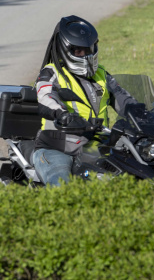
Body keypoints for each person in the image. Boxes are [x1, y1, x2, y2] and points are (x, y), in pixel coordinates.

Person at [32, 15, 137, 186]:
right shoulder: (51, 73)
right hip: (57, 146)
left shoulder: (102, 75)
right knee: (62, 184)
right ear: (65, 50)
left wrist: (142, 113)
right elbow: (45, 97)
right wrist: (63, 114)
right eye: (78, 51)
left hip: (98, 146)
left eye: (89, 49)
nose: (85, 55)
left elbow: (124, 99)